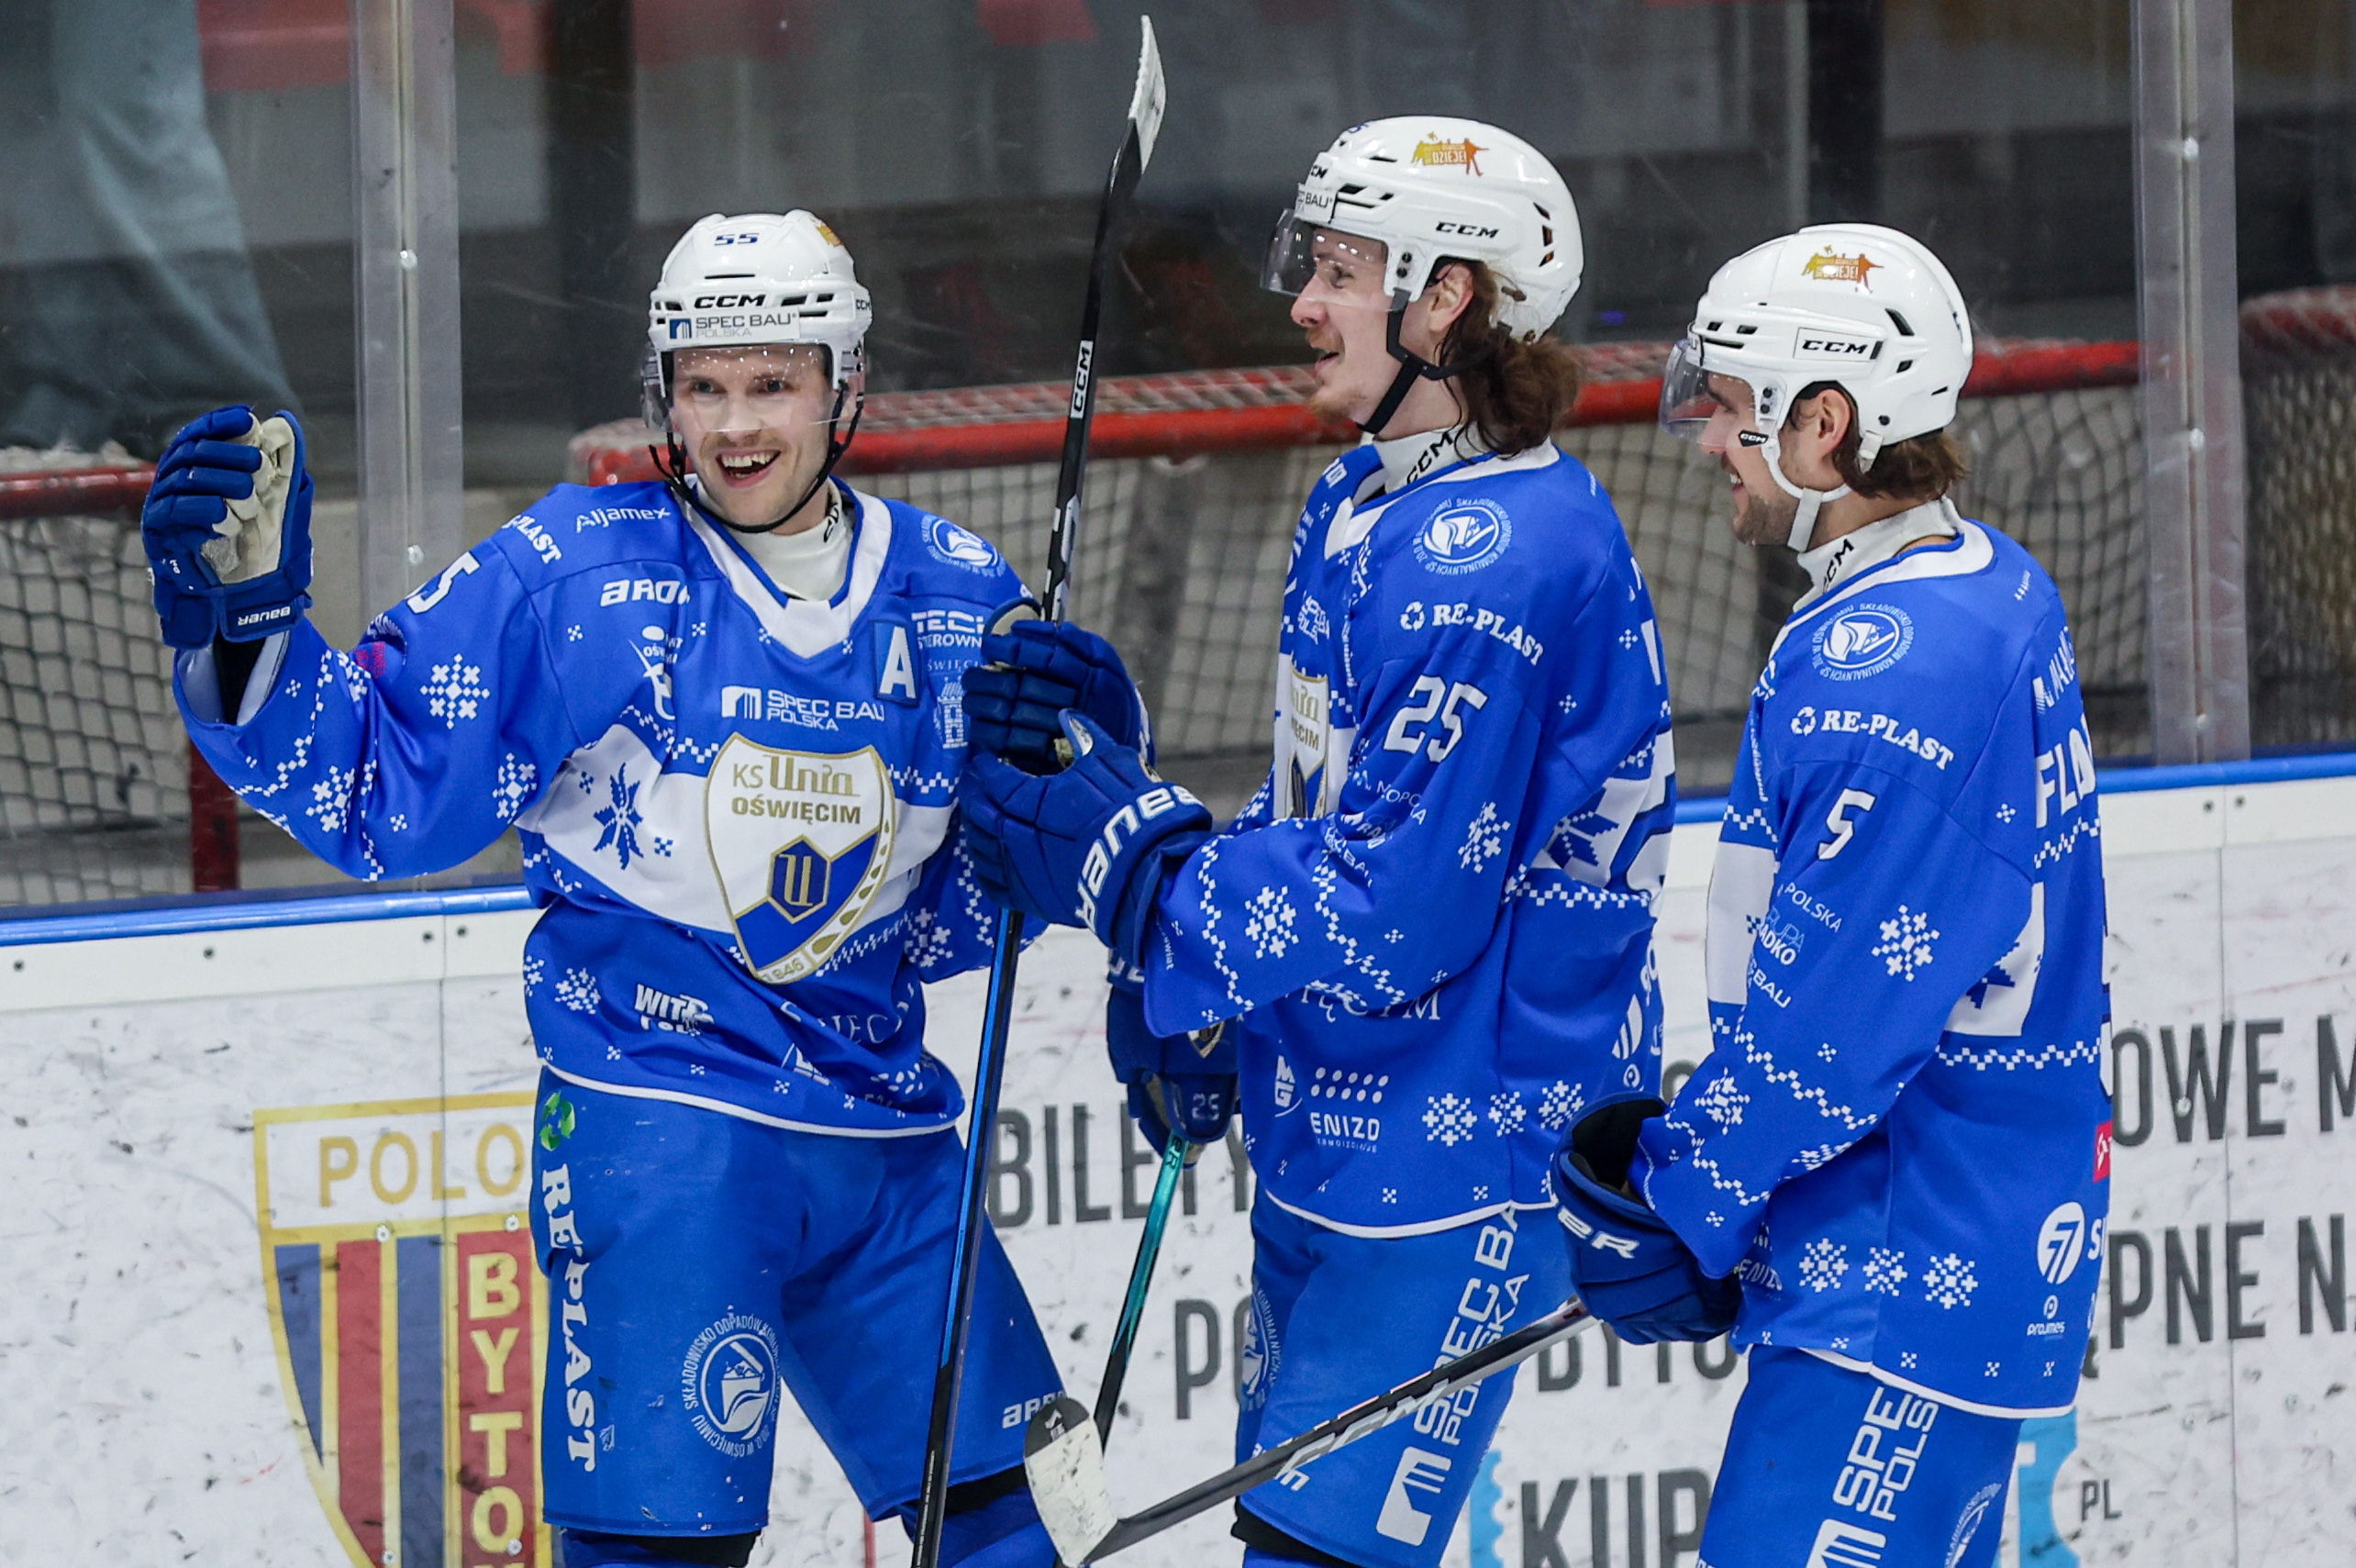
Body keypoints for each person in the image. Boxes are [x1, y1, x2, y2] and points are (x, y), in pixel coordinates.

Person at [135, 211, 1125, 1568]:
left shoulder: (955, 595)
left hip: (887, 1142)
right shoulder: (578, 575)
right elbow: (382, 781)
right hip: (668, 1133)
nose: (736, 425)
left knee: (1011, 1527)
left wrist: (1077, 734)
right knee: (660, 1553)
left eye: (771, 382)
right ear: (664, 395)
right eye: (704, 386)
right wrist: (249, 632)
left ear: (845, 387)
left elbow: (990, 886)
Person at [956, 119, 1676, 1568]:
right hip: (1346, 1118)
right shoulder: (1366, 496)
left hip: (1461, 1151)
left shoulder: (1498, 561)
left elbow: (1391, 906)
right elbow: (1325, 815)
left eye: (1343, 270)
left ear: (1446, 298)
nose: (1302, 301)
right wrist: (1211, 988)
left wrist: (1146, 874)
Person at [1549, 224, 2112, 1568]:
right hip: (1923, 1250)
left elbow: (1835, 1026)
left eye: (1732, 408)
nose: (1707, 439)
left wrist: (1686, 1190)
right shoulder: (1977, 585)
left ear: (1826, 423)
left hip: (1898, 1274)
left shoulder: (1896, 667)